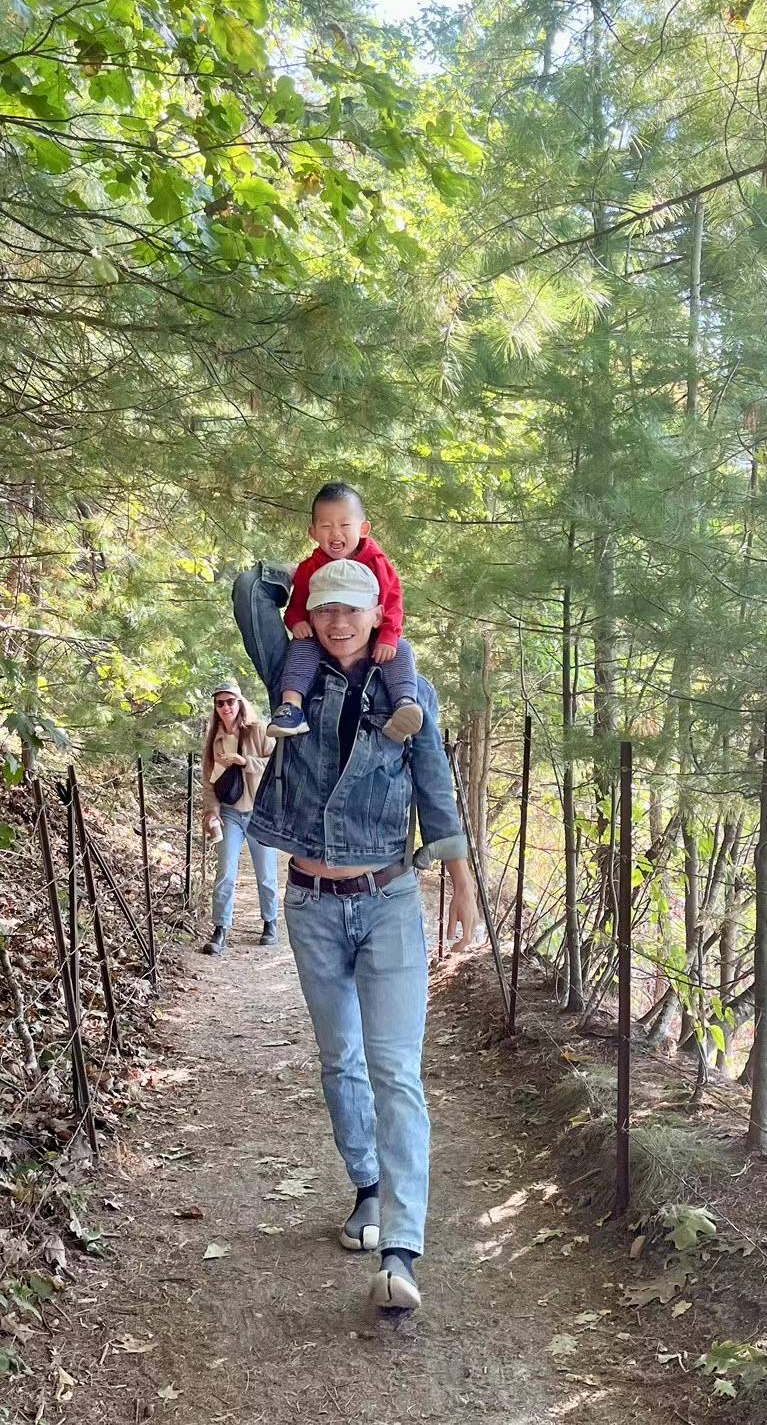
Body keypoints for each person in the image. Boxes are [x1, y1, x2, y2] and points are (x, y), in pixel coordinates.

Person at [232, 555, 479, 1313]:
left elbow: (435, 788)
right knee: (340, 1060)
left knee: (394, 1069)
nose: (338, 622)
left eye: (353, 609)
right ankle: (367, 1189)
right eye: (326, 608)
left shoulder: (408, 690)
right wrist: (316, 565)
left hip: (388, 900)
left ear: (378, 617)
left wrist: (462, 880)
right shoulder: (290, 676)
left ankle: (402, 1251)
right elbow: (250, 592)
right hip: (310, 904)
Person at [266, 481, 423, 745]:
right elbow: (297, 604)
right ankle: (291, 706)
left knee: (401, 650)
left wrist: (388, 635)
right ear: (313, 532)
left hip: (369, 637)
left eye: (344, 525)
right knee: (301, 647)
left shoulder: (376, 562)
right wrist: (296, 622)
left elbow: (392, 602)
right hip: (323, 639)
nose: (335, 533)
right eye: (326, 526)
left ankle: (403, 705)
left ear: (363, 528)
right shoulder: (310, 567)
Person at [200, 678, 279, 957]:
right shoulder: (214, 740)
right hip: (230, 814)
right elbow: (208, 783)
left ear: (239, 702)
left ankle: (270, 922)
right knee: (225, 872)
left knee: (266, 873)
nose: (225, 707)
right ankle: (220, 928)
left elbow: (277, 763)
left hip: (259, 812)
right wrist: (211, 813)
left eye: (230, 701)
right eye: (219, 703)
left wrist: (246, 762)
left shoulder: (258, 731)